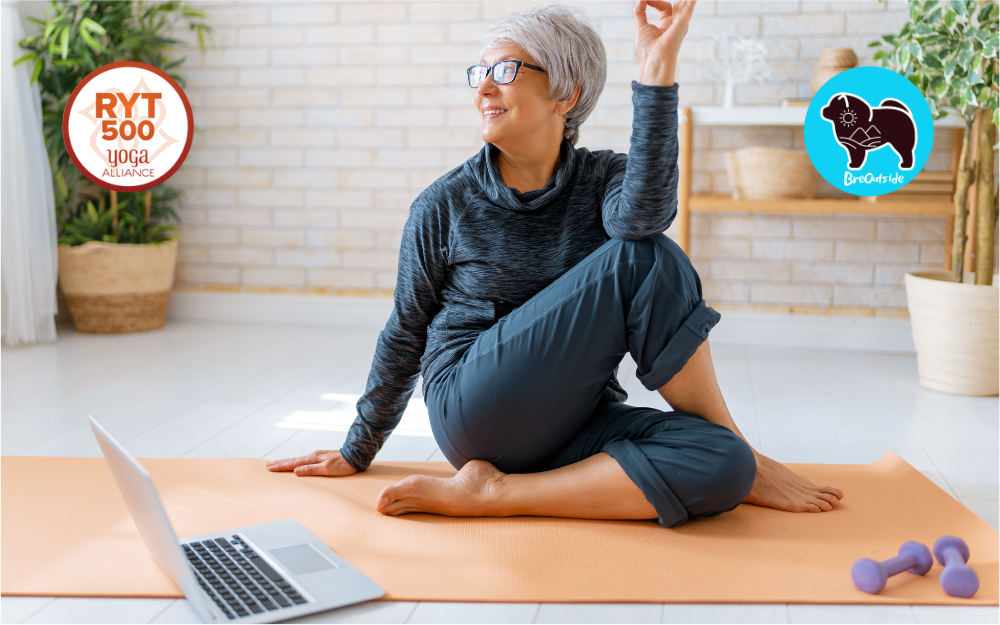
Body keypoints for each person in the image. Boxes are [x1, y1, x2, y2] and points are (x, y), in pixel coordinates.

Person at [267, 0, 845, 528]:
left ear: (565, 93)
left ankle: (499, 494)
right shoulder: (443, 205)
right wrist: (357, 448)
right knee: (644, 260)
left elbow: (643, 216)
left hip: (574, 418)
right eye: (480, 73)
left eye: (506, 71)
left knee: (723, 466)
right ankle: (742, 446)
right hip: (475, 410)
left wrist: (655, 71)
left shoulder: (604, 179)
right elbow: (405, 331)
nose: (484, 89)